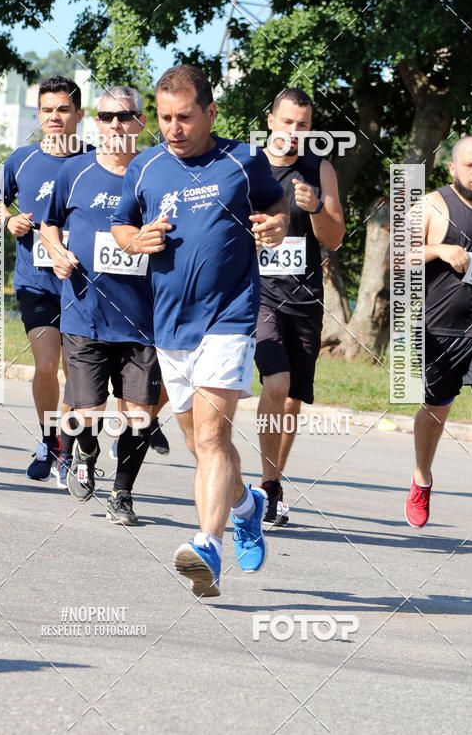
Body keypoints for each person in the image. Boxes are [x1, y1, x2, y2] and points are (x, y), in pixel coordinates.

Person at [112, 64, 289, 596]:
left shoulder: (242, 160)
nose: (173, 128)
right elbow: (122, 223)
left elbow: (275, 203)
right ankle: (246, 504)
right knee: (200, 445)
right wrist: (132, 240)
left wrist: (277, 223)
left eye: (185, 117)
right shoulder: (144, 168)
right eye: (164, 118)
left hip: (230, 319)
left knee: (213, 436)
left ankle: (207, 547)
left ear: (210, 112)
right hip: (170, 325)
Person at [41, 86, 162, 524]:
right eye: (107, 116)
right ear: (96, 121)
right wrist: (56, 252)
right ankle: (87, 453)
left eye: (125, 116)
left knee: (140, 417)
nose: (116, 124)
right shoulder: (74, 171)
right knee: (88, 415)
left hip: (143, 319)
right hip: (84, 312)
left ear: (141, 122)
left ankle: (123, 494)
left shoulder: (158, 172)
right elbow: (49, 223)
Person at [255, 88, 345, 524]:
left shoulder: (319, 169)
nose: (293, 132)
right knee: (276, 383)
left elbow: (334, 237)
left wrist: (313, 210)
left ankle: (271, 483)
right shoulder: (247, 165)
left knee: (292, 398)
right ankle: (267, 487)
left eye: (303, 125)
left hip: (305, 300)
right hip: (258, 296)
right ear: (271, 121)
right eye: (287, 122)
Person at [404, 136, 472, 535]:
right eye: (471, 165)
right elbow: (399, 255)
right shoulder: (430, 206)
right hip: (440, 332)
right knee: (434, 412)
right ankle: (422, 477)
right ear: (453, 168)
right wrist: (438, 250)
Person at [0, 75, 87, 483]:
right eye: (48, 109)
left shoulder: (94, 160)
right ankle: (50, 443)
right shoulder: (22, 159)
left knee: (77, 370)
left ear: (79, 115)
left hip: (84, 284)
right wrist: (10, 218)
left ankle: (69, 448)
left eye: (63, 109)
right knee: (47, 364)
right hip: (36, 282)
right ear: (39, 114)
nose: (55, 116)